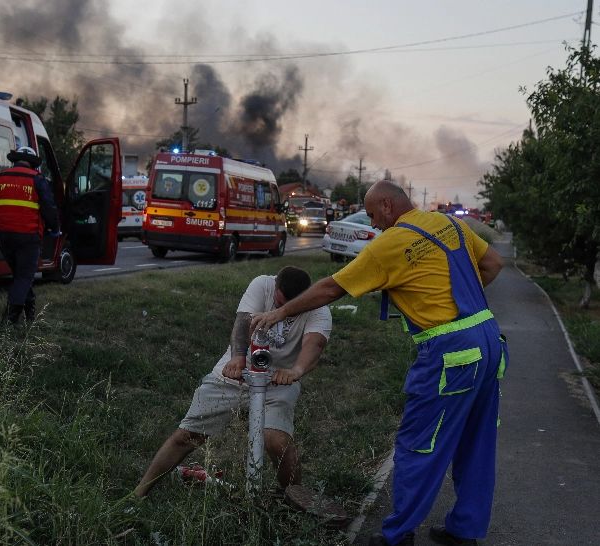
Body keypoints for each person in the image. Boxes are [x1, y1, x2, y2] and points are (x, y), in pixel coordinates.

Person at [250, 181, 506, 546]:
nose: (374, 224)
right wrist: (459, 304)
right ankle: (465, 531)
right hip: (488, 337)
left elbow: (331, 288)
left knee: (419, 444)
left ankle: (397, 536)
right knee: (476, 440)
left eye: (372, 215)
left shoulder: (390, 244)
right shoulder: (448, 223)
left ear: (387, 205)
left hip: (450, 352)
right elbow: (493, 264)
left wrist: (280, 313)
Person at [134, 266, 331, 497]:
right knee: (187, 435)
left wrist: (296, 370)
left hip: (279, 382)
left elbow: (314, 345)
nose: (281, 309)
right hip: (234, 375)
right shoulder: (262, 284)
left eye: (290, 306)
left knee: (277, 441)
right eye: (278, 303)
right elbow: (242, 322)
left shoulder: (319, 309)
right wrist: (237, 358)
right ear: (275, 285)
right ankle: (139, 493)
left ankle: (294, 500)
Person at [0, 146, 59, 325]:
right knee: (24, 276)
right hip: (28, 236)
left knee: (20, 275)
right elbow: (49, 208)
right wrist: (54, 228)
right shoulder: (37, 179)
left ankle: (30, 314)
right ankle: (9, 321)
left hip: (4, 236)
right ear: (33, 164)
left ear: (15, 160)